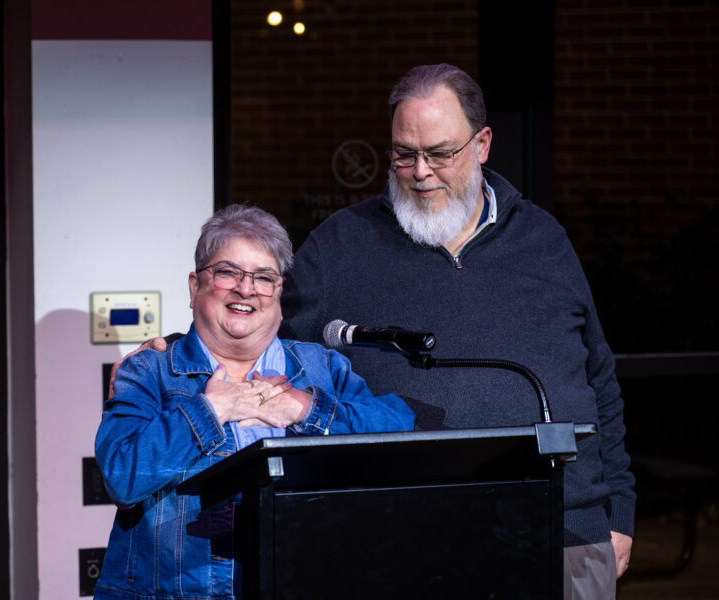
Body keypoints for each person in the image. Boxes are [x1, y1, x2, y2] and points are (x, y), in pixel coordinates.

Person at [279, 64, 634, 599]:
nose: (420, 171)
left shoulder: (543, 240)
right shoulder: (340, 246)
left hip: (566, 533)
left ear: (483, 143)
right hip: (399, 537)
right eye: (404, 154)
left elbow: (599, 380)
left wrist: (620, 512)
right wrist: (173, 356)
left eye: (440, 153)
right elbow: (253, 337)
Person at [94, 204, 415, 600]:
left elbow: (398, 438)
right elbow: (122, 477)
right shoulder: (150, 370)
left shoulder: (321, 368)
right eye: (228, 272)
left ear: (279, 293)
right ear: (195, 286)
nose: (246, 289)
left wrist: (305, 409)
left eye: (264, 278)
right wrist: (210, 411)